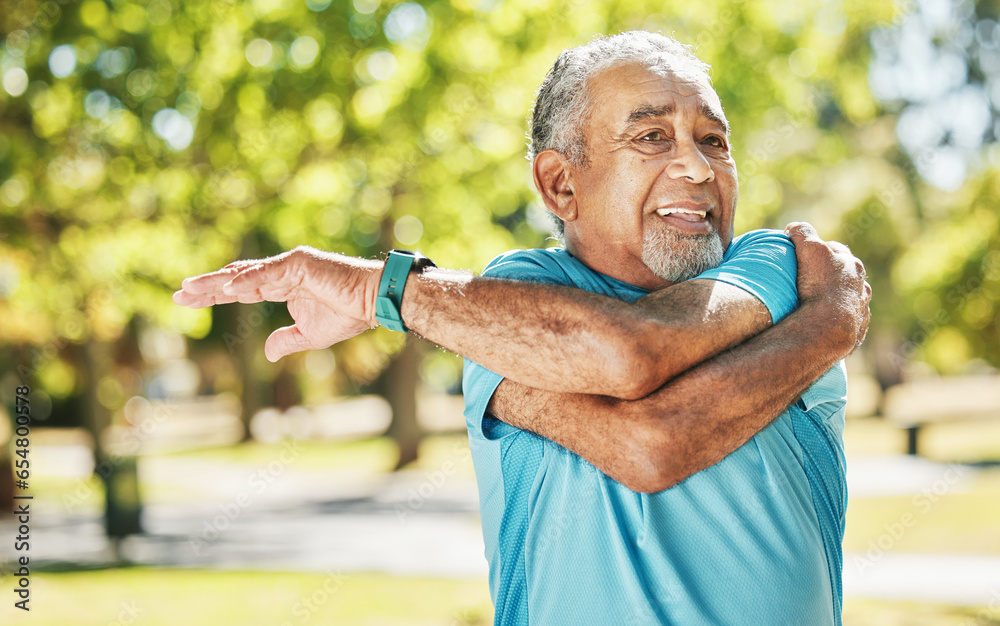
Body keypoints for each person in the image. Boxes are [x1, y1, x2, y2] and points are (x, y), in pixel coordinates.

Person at [174, 31, 870, 625]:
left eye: (713, 140)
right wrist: (830, 327)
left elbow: (635, 369)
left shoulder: (780, 266)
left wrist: (381, 292)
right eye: (652, 136)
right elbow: (650, 434)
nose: (695, 166)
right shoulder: (514, 300)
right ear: (561, 186)